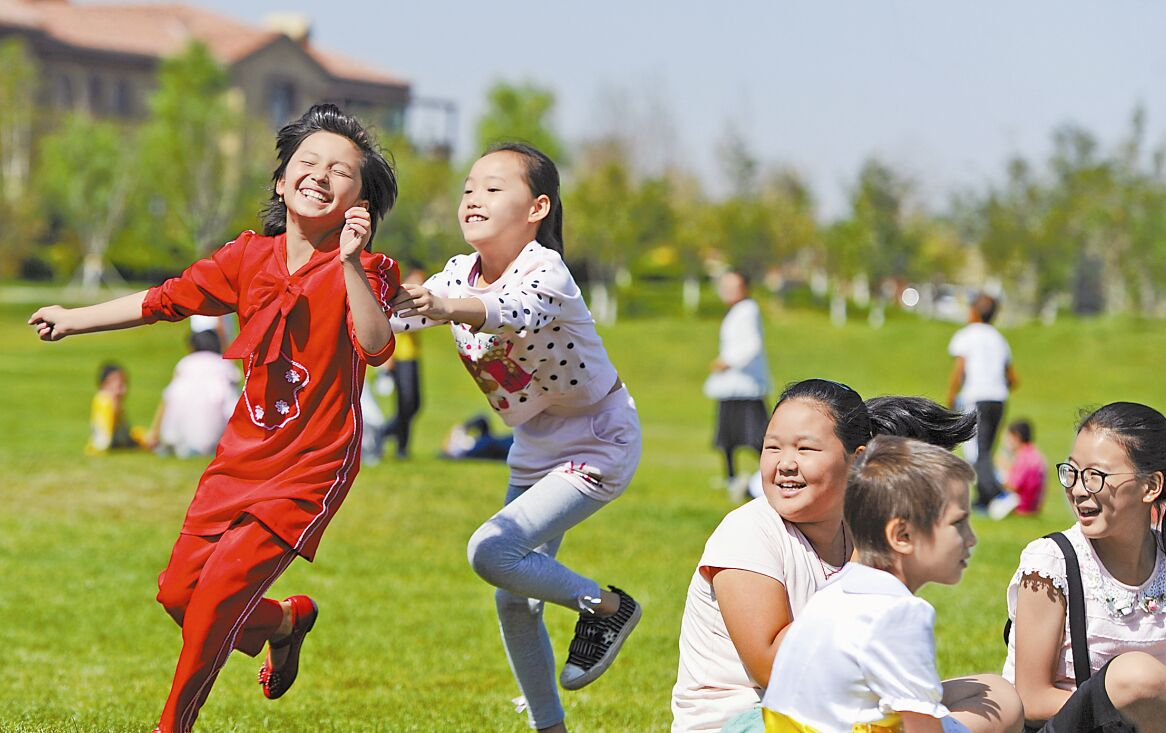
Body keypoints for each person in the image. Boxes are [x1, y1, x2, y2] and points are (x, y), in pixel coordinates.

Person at [28, 103, 400, 733]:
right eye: (307, 162)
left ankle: (171, 724)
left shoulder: (370, 270)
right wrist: (74, 317)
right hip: (240, 457)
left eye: (341, 171)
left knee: (223, 590)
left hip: (311, 464)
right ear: (281, 182)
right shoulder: (247, 257)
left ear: (359, 202)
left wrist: (347, 262)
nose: (319, 175)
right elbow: (163, 300)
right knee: (180, 595)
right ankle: (287, 621)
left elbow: (376, 345)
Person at [389, 142, 642, 733]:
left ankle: (607, 607)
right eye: (469, 186)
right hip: (534, 443)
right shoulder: (456, 271)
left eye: (494, 186)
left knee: (491, 551)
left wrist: (447, 305)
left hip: (598, 438)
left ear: (538, 207)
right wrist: (345, 269)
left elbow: (510, 310)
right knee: (512, 597)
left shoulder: (545, 269)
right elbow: (391, 321)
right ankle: (549, 728)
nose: (473, 196)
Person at [672, 379, 1022, 733]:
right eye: (772, 447)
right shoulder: (748, 529)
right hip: (749, 718)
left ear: (857, 461)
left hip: (828, 710)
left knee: (999, 694)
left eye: (805, 449)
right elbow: (771, 666)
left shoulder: (857, 530)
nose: (785, 463)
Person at [762, 435, 1014, 733]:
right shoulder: (900, 614)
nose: (971, 538)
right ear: (902, 536)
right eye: (958, 523)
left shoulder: (837, 591)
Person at [1003, 402, 1166, 732]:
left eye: (1095, 476)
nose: (1077, 489)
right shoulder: (1051, 562)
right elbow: (1030, 699)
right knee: (1135, 677)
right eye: (1073, 472)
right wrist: (1129, 704)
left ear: (1150, 486)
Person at [704, 269, 771, 503]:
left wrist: (728, 362)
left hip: (747, 387)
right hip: (730, 386)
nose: (727, 290)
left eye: (733, 286)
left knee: (758, 438)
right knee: (727, 437)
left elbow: (752, 345)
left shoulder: (748, 310)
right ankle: (731, 478)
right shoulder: (735, 311)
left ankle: (772, 475)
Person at [946, 293, 1017, 510]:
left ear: (974, 311)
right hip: (999, 399)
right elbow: (1012, 378)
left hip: (976, 397)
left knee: (977, 450)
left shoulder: (966, 335)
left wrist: (951, 395)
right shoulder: (999, 339)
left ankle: (999, 496)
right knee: (987, 449)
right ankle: (983, 499)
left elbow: (960, 369)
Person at [149, 330, 239, 459]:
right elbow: (232, 405)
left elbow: (168, 399)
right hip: (214, 441)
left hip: (177, 438)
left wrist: (154, 432)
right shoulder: (225, 365)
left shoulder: (185, 364)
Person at [380, 265, 426, 458]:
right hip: (399, 358)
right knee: (405, 404)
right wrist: (387, 359)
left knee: (414, 404)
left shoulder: (418, 303)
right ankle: (387, 435)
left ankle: (399, 444)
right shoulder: (399, 300)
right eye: (417, 280)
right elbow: (389, 327)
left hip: (413, 357)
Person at [987, 419, 1047, 520]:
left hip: (1021, 507)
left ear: (1016, 437)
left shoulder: (1022, 457)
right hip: (1033, 507)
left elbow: (1013, 486)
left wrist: (1000, 473)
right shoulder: (1036, 454)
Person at [87, 361, 148, 454]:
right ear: (103, 385)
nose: (122, 388)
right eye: (116, 383)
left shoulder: (115, 404)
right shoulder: (104, 401)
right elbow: (102, 442)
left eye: (123, 383)